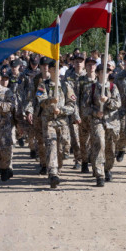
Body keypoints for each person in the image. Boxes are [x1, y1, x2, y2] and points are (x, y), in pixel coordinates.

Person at [35, 59, 75, 189]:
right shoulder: (43, 85)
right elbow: (40, 101)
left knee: (63, 148)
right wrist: (50, 102)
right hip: (49, 121)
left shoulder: (66, 85)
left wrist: (62, 109)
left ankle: (58, 167)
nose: (57, 71)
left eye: (59, 68)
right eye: (54, 68)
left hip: (63, 121)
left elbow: (72, 105)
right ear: (50, 70)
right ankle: (52, 173)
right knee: (51, 144)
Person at [88, 64, 122, 187]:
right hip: (97, 121)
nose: (105, 74)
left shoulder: (113, 87)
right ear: (97, 73)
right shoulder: (91, 88)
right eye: (102, 72)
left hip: (112, 122)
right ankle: (99, 174)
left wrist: (107, 100)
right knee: (99, 142)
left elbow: (118, 103)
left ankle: (107, 168)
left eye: (107, 72)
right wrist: (95, 112)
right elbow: (84, 107)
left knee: (110, 148)